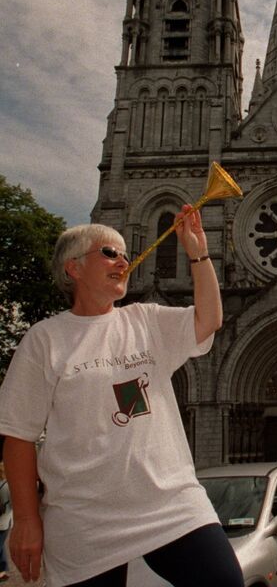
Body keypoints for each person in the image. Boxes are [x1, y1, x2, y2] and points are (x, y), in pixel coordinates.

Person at [0, 207, 243, 587]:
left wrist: (197, 253)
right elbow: (18, 435)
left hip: (171, 505)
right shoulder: (44, 340)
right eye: (109, 253)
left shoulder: (144, 320)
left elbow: (208, 319)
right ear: (73, 268)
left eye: (126, 253)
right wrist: (28, 520)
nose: (124, 260)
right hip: (85, 520)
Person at [0, 462, 12, 581]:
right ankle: (3, 571)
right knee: (1, 546)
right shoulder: (8, 485)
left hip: (3, 523)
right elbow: (13, 505)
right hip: (6, 521)